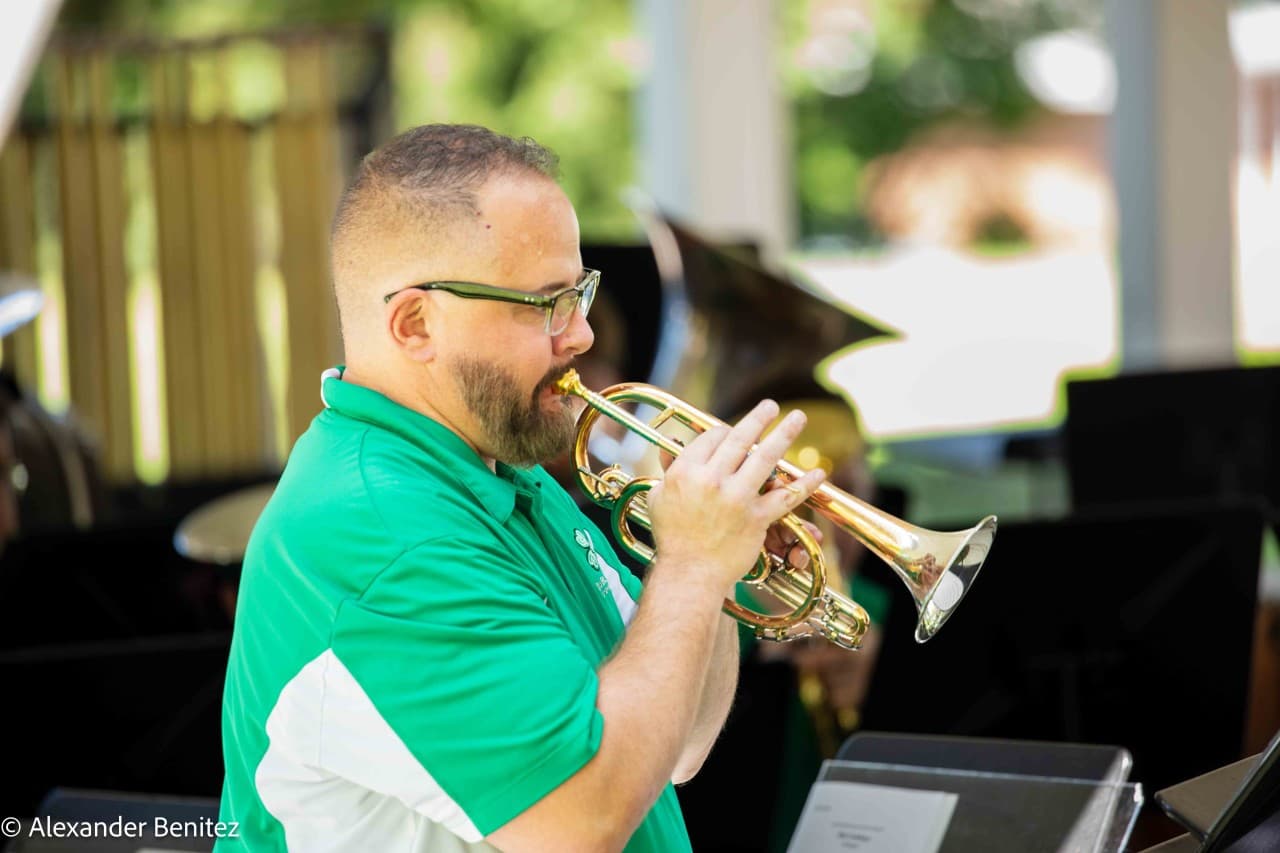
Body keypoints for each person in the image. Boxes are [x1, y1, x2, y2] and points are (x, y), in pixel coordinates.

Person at [216, 124, 827, 852]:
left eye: (580, 294)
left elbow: (678, 744)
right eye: (546, 305)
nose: (583, 336)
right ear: (415, 324)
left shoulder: (502, 472)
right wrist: (692, 564)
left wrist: (718, 566)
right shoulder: (387, 531)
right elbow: (584, 816)